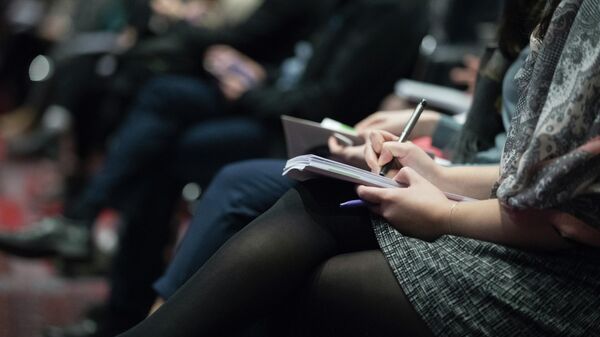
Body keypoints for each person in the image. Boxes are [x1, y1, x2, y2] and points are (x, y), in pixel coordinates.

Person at [117, 0, 600, 335]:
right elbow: (527, 172)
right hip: (509, 205)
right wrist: (437, 172)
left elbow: (566, 213)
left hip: (568, 277)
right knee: (311, 192)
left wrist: (446, 208)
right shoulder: (555, 13)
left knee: (314, 271)